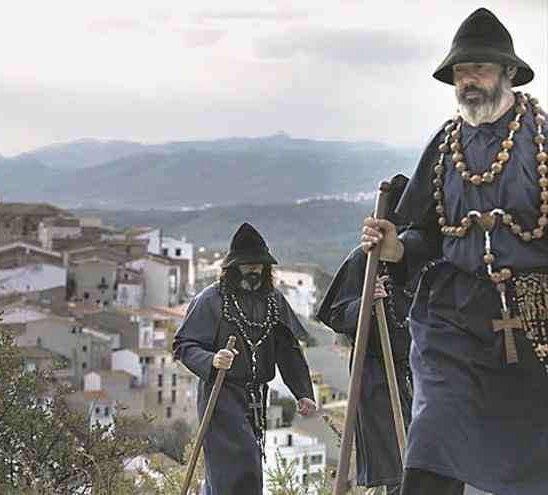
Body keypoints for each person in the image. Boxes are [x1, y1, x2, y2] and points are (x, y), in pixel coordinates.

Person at [360, 8, 548, 495]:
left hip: (535, 314)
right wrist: (397, 249)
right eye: (461, 72)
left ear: (508, 71)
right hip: (453, 318)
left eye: (479, 69)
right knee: (435, 432)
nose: (468, 81)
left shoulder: (544, 142)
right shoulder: (444, 148)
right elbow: (426, 231)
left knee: (530, 454)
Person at [173, 222, 317, 495]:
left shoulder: (274, 300)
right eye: (247, 263)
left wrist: (303, 392)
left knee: (244, 469)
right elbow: (184, 345)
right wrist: (212, 360)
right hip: (221, 394)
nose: (254, 269)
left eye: (259, 264)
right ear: (232, 267)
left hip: (256, 398)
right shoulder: (210, 300)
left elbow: (289, 350)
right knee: (239, 466)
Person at [318, 175, 413, 495]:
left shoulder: (423, 256)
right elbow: (333, 313)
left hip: (425, 372)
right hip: (382, 378)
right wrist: (365, 303)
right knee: (398, 472)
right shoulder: (366, 257)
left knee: (431, 466)